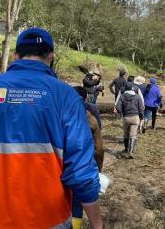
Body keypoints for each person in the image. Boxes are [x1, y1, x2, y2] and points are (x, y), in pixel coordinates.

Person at [0, 28, 102, 229]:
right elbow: (81, 171)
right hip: (49, 222)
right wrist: (97, 224)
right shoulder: (66, 96)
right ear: (51, 56)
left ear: (15, 56)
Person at [72, 86, 105, 229]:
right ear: (85, 98)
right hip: (83, 165)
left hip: (61, 167)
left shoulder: (58, 112)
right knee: (78, 201)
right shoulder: (90, 115)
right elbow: (99, 148)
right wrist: (98, 169)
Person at [115, 81, 144, 158]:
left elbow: (118, 107)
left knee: (126, 134)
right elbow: (141, 108)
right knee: (133, 134)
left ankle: (126, 149)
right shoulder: (137, 97)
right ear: (132, 88)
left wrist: (121, 112)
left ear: (125, 88)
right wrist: (141, 117)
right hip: (135, 117)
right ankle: (130, 152)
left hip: (126, 117)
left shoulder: (122, 96)